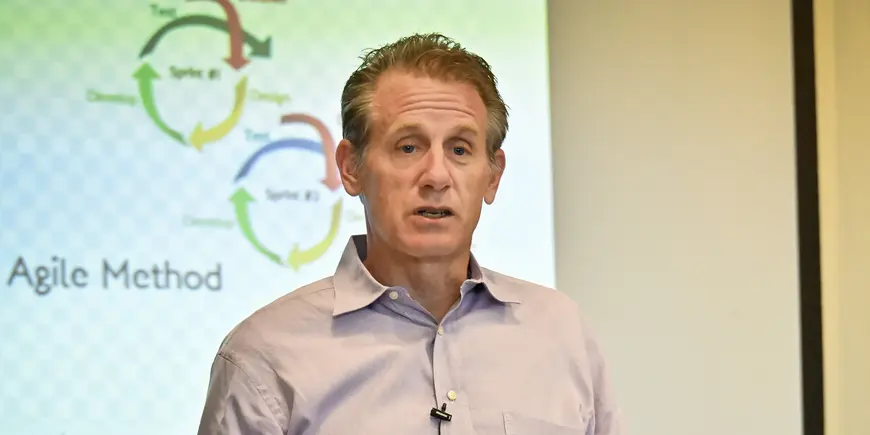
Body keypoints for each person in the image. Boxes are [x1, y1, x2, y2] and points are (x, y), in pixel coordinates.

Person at [197, 32, 622, 435]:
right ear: (351, 167)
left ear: (492, 176)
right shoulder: (265, 357)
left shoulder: (561, 334)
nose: (436, 175)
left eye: (460, 149)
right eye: (408, 147)